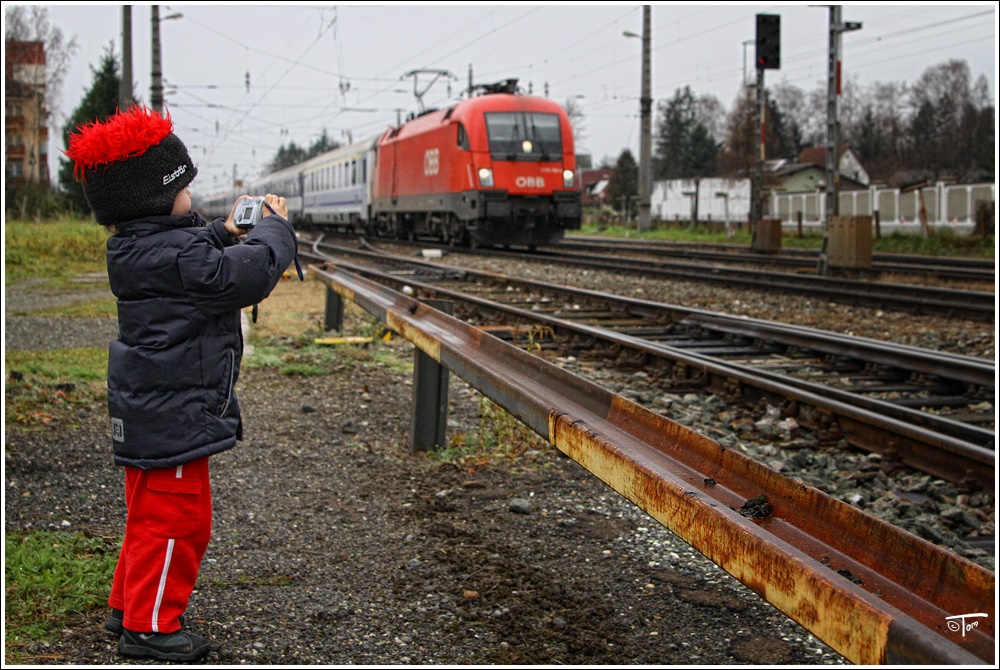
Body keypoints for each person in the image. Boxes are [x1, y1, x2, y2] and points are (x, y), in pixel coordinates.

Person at [65, 105, 299, 662]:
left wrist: (225, 230)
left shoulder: (137, 247)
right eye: (185, 187)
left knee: (148, 517)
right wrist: (274, 230)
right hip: (176, 411)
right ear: (158, 196)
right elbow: (249, 273)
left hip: (150, 406)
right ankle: (149, 630)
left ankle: (128, 607)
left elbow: (189, 252)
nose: (192, 196)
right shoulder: (181, 256)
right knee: (178, 521)